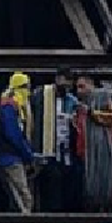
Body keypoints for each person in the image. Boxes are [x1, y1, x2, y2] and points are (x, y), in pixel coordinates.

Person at [31, 68, 80, 213]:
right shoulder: (40, 95)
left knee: (69, 182)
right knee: (50, 183)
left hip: (65, 150)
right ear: (58, 79)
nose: (67, 86)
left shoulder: (72, 100)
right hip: (45, 150)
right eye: (66, 81)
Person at [73, 74, 112, 214]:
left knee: (105, 182)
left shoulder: (102, 97)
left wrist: (91, 113)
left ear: (91, 85)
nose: (78, 91)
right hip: (85, 151)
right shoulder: (80, 105)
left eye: (82, 86)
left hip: (101, 147)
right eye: (77, 87)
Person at [0, 72, 36, 213]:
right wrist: (27, 154)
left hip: (13, 156)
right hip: (11, 157)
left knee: (19, 194)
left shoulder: (8, 107)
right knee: (24, 197)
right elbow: (13, 134)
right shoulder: (9, 108)